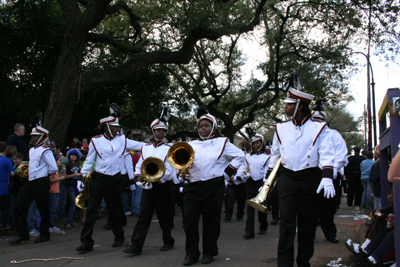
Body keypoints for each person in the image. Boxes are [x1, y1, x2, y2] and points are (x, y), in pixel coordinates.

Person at [267, 73, 335, 267]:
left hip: (310, 178)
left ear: (300, 106)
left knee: (307, 223)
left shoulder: (319, 128)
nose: (285, 107)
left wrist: (327, 177)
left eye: (289, 104)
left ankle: (303, 261)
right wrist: (268, 180)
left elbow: (327, 154)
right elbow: (274, 155)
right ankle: (285, 263)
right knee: (286, 223)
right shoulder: (280, 128)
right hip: (287, 178)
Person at [76, 104, 146, 252]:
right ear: (106, 127)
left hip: (115, 179)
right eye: (114, 126)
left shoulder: (122, 140)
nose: (117, 129)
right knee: (92, 210)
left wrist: (156, 146)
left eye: (117, 126)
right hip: (99, 178)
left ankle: (119, 237)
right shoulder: (96, 141)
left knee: (115, 211)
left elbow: (141, 145)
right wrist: (82, 177)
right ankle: (86, 242)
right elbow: (89, 160)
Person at [181, 107, 245, 266]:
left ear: (213, 127)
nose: (203, 129)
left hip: (213, 186)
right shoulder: (191, 144)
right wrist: (182, 172)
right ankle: (191, 253)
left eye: (206, 126)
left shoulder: (222, 142)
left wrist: (226, 173)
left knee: (211, 222)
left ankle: (209, 252)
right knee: (189, 220)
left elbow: (240, 156)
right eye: (201, 126)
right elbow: (183, 162)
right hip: (193, 187)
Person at [123, 107, 175, 256]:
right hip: (148, 187)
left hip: (162, 186)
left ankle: (168, 240)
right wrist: (141, 178)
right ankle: (136, 246)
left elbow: (171, 168)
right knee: (143, 216)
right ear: (153, 132)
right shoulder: (145, 149)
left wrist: (161, 179)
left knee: (164, 216)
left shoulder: (169, 148)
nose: (161, 133)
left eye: (163, 131)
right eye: (158, 130)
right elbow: (140, 165)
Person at [9, 119, 58, 245]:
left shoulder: (45, 150)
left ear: (41, 137)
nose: (32, 138)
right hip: (31, 181)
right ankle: (23, 234)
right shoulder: (31, 150)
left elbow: (53, 168)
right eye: (32, 136)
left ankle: (44, 234)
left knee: (43, 208)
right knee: (20, 204)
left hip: (40, 181)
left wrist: (42, 174)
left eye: (35, 136)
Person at [311, 99, 348, 244]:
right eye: (314, 120)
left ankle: (330, 233)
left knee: (328, 208)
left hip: (330, 175)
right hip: (312, 176)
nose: (316, 122)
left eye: (319, 120)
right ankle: (309, 234)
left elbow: (341, 155)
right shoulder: (308, 134)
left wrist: (332, 173)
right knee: (310, 208)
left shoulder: (334, 135)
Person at [243, 128, 269, 239]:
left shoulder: (267, 157)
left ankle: (263, 225)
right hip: (250, 182)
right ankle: (249, 231)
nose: (255, 145)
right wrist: (244, 174)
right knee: (249, 208)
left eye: (257, 143)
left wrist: (264, 183)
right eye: (253, 143)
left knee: (260, 207)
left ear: (261, 143)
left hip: (260, 184)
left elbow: (267, 170)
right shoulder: (248, 156)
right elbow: (245, 167)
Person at [6, 152, 26, 231]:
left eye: (16, 159)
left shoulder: (23, 167)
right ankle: (12, 223)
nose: (14, 161)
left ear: (20, 159)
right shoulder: (13, 166)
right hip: (13, 189)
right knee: (12, 207)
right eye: (13, 159)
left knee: (18, 207)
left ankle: (17, 224)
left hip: (19, 189)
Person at [64, 148, 83, 229]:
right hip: (70, 186)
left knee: (74, 203)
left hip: (76, 185)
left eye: (75, 155)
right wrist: (74, 175)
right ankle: (68, 222)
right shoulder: (68, 165)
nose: (73, 157)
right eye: (72, 155)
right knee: (72, 202)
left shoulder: (76, 165)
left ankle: (70, 220)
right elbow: (65, 176)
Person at [0, 142, 15, 235]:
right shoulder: (7, 161)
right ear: (5, 150)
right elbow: (12, 173)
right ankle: (2, 225)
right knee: (4, 209)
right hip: (3, 188)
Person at [345, 146, 365, 210]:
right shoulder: (363, 158)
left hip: (351, 175)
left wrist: (346, 174)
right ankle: (357, 203)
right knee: (358, 190)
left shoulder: (350, 158)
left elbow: (346, 167)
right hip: (359, 174)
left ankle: (349, 202)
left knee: (350, 189)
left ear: (354, 151)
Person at [49, 154, 65, 232]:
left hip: (56, 190)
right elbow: (50, 180)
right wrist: (59, 178)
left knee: (54, 209)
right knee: (51, 209)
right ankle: (50, 225)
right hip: (52, 191)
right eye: (58, 160)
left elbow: (63, 176)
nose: (60, 162)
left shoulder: (57, 170)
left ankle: (52, 225)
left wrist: (64, 170)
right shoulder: (52, 171)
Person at [369, 145, 381, 210]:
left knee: (378, 210)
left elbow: (373, 178)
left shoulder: (377, 164)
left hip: (379, 190)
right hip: (390, 190)